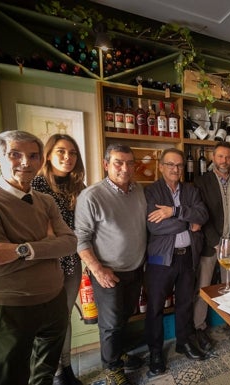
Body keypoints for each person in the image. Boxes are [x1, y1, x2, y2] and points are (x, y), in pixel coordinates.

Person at [0, 130, 77, 385]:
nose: (25, 162)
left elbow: (69, 243)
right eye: (15, 154)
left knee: (42, 376)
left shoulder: (45, 201)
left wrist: (19, 249)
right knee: (9, 380)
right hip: (10, 309)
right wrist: (46, 244)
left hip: (54, 302)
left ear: (40, 160)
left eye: (33, 156)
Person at [74, 144, 147, 385]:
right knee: (111, 324)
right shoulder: (92, 195)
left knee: (125, 316)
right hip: (108, 272)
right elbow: (81, 239)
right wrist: (97, 269)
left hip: (135, 269)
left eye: (129, 163)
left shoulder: (138, 191)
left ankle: (118, 353)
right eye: (118, 163)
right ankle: (112, 368)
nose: (124, 168)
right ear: (106, 165)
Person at [144, 148, 210, 375]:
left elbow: (202, 215)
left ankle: (184, 343)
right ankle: (155, 352)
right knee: (154, 308)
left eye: (179, 165)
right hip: (160, 260)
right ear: (161, 166)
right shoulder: (151, 191)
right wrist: (185, 221)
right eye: (171, 164)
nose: (175, 169)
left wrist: (173, 211)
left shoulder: (191, 190)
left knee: (185, 303)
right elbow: (154, 226)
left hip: (187, 257)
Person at [31, 134, 86, 385]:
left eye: (73, 153)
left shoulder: (79, 187)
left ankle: (65, 370)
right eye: (61, 151)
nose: (68, 157)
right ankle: (51, 373)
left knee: (64, 317)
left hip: (72, 261)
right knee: (47, 322)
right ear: (49, 155)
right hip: (46, 264)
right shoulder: (36, 185)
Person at [193, 142, 230, 352]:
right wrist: (217, 242)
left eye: (228, 157)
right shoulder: (201, 182)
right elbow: (201, 214)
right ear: (212, 158)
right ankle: (199, 327)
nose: (224, 161)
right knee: (204, 288)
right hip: (210, 246)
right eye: (220, 157)